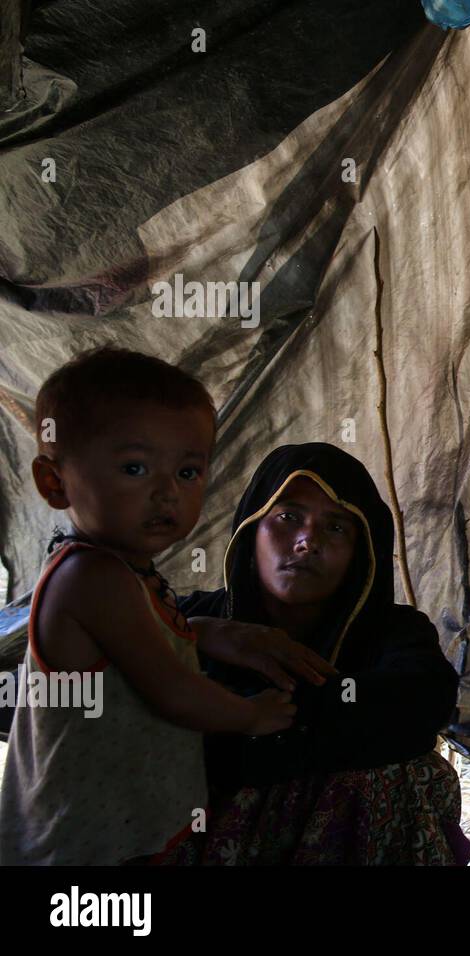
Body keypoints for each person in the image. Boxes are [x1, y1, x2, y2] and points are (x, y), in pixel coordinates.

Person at [0, 347, 295, 865]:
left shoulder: (120, 570)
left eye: (187, 472)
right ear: (54, 483)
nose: (166, 494)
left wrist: (199, 630)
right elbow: (174, 693)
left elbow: (131, 645)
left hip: (117, 827)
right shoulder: (94, 577)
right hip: (86, 848)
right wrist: (252, 715)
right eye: (135, 468)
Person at [168, 442, 469, 865]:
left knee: (398, 773)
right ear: (251, 527)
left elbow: (422, 702)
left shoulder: (389, 632)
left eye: (336, 527)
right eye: (288, 517)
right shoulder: (188, 618)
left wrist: (240, 726)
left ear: (361, 549)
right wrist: (194, 635)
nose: (308, 541)